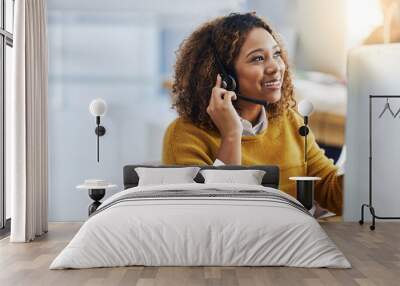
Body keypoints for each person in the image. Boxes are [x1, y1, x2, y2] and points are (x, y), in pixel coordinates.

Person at [162, 13, 343, 215]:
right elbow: (210, 215)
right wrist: (231, 135)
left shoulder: (290, 121)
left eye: (276, 54)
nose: (275, 67)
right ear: (224, 77)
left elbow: (331, 191)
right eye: (258, 58)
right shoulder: (184, 136)